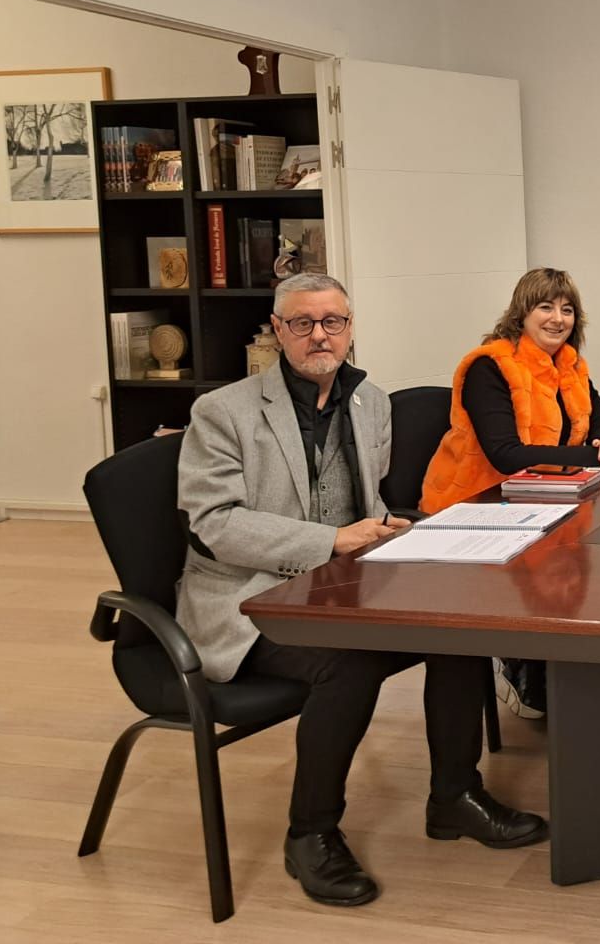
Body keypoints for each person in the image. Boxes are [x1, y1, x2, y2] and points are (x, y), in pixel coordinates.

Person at [175, 274, 546, 910]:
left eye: (333, 322)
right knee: (346, 665)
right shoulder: (223, 411)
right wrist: (333, 542)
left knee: (456, 629)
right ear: (276, 330)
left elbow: (362, 501)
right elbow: (216, 524)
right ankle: (310, 832)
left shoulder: (371, 401)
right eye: (302, 323)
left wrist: (383, 528)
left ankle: (454, 797)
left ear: (351, 328)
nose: (320, 335)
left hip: (342, 585)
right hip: (249, 598)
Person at [420, 266, 600, 719]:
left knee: (592, 565)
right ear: (521, 312)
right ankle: (527, 668)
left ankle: (563, 680)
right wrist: (596, 456)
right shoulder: (490, 365)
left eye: (567, 309)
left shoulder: (570, 366)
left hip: (539, 501)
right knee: (562, 564)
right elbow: (506, 454)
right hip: (474, 507)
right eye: (545, 306)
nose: (557, 318)